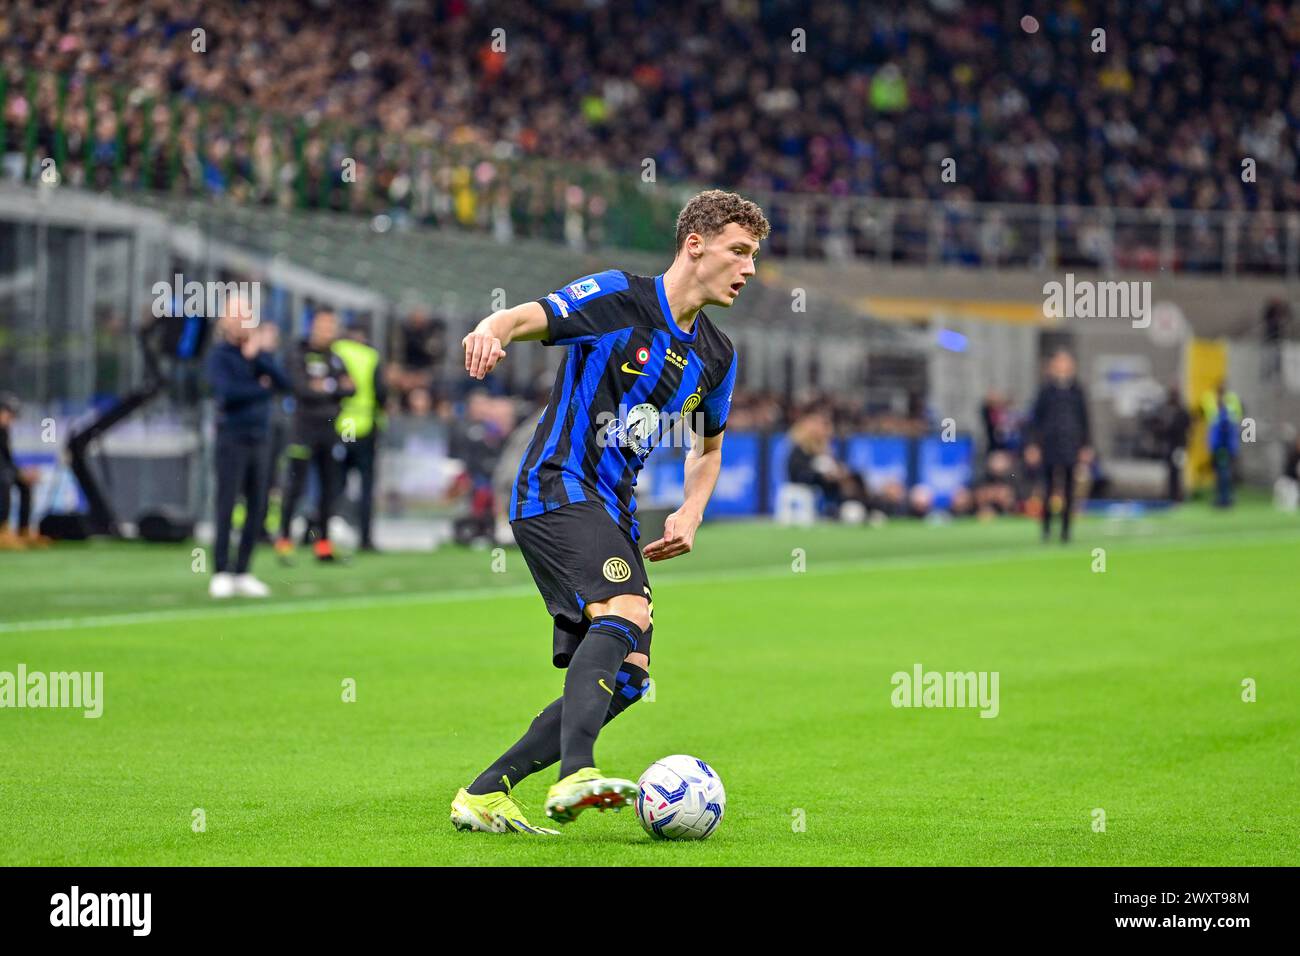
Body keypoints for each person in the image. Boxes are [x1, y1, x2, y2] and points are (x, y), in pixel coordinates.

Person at [449, 189, 769, 834]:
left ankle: (486, 793)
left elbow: (709, 447)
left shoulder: (717, 355)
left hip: (613, 509)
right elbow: (522, 317)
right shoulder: (619, 296)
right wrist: (489, 330)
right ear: (695, 244)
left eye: (754, 256)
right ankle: (577, 775)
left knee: (630, 675)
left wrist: (691, 511)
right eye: (740, 251)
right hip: (557, 486)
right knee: (626, 609)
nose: (750, 269)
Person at [203, 309, 290, 597]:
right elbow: (228, 393)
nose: (242, 322)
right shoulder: (220, 356)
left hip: (260, 438)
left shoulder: (258, 357)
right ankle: (220, 570)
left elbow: (285, 384)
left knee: (258, 505)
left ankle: (243, 570)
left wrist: (258, 358)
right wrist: (261, 388)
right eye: (236, 316)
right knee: (226, 504)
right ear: (225, 321)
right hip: (232, 437)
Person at [276, 311, 354, 562]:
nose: (327, 332)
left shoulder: (336, 357)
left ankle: (323, 544)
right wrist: (332, 387)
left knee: (329, 488)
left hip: (330, 429)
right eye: (323, 326)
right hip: (303, 428)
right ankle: (285, 540)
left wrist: (325, 386)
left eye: (331, 327)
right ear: (313, 327)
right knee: (295, 485)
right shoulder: (298, 353)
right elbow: (301, 389)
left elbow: (352, 388)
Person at [1025, 350, 1092, 543]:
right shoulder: (1045, 391)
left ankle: (1065, 530)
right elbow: (1035, 420)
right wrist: (1033, 445)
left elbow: (1085, 420)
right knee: (1047, 489)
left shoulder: (1077, 391)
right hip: (1049, 445)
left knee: (1070, 489)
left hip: (1070, 444)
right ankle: (1046, 529)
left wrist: (1086, 446)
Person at [332, 323, 387, 552]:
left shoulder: (335, 351)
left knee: (334, 484)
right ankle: (365, 538)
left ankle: (323, 533)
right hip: (365, 426)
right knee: (366, 487)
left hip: (340, 425)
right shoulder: (371, 356)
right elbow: (380, 393)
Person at [0, 392, 49, 550]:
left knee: (24, 483)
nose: (11, 419)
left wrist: (22, 473)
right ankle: (2, 530)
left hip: (3, 470)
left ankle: (24, 530)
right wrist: (16, 472)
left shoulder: (4, 431)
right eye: (8, 413)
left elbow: (7, 459)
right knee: (4, 480)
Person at [1201, 381, 1243, 508]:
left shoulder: (1224, 413)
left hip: (1223, 447)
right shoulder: (1222, 409)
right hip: (1223, 446)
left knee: (1223, 473)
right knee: (1222, 472)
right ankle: (1224, 497)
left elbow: (1223, 431)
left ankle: (1224, 498)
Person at [1153, 386, 1192, 502]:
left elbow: (1185, 426)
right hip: (1169, 446)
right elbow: (1158, 427)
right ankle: (1171, 494)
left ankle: (1178, 495)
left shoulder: (1181, 411)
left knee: (1178, 471)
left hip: (1179, 446)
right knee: (1170, 472)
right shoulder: (1166, 411)